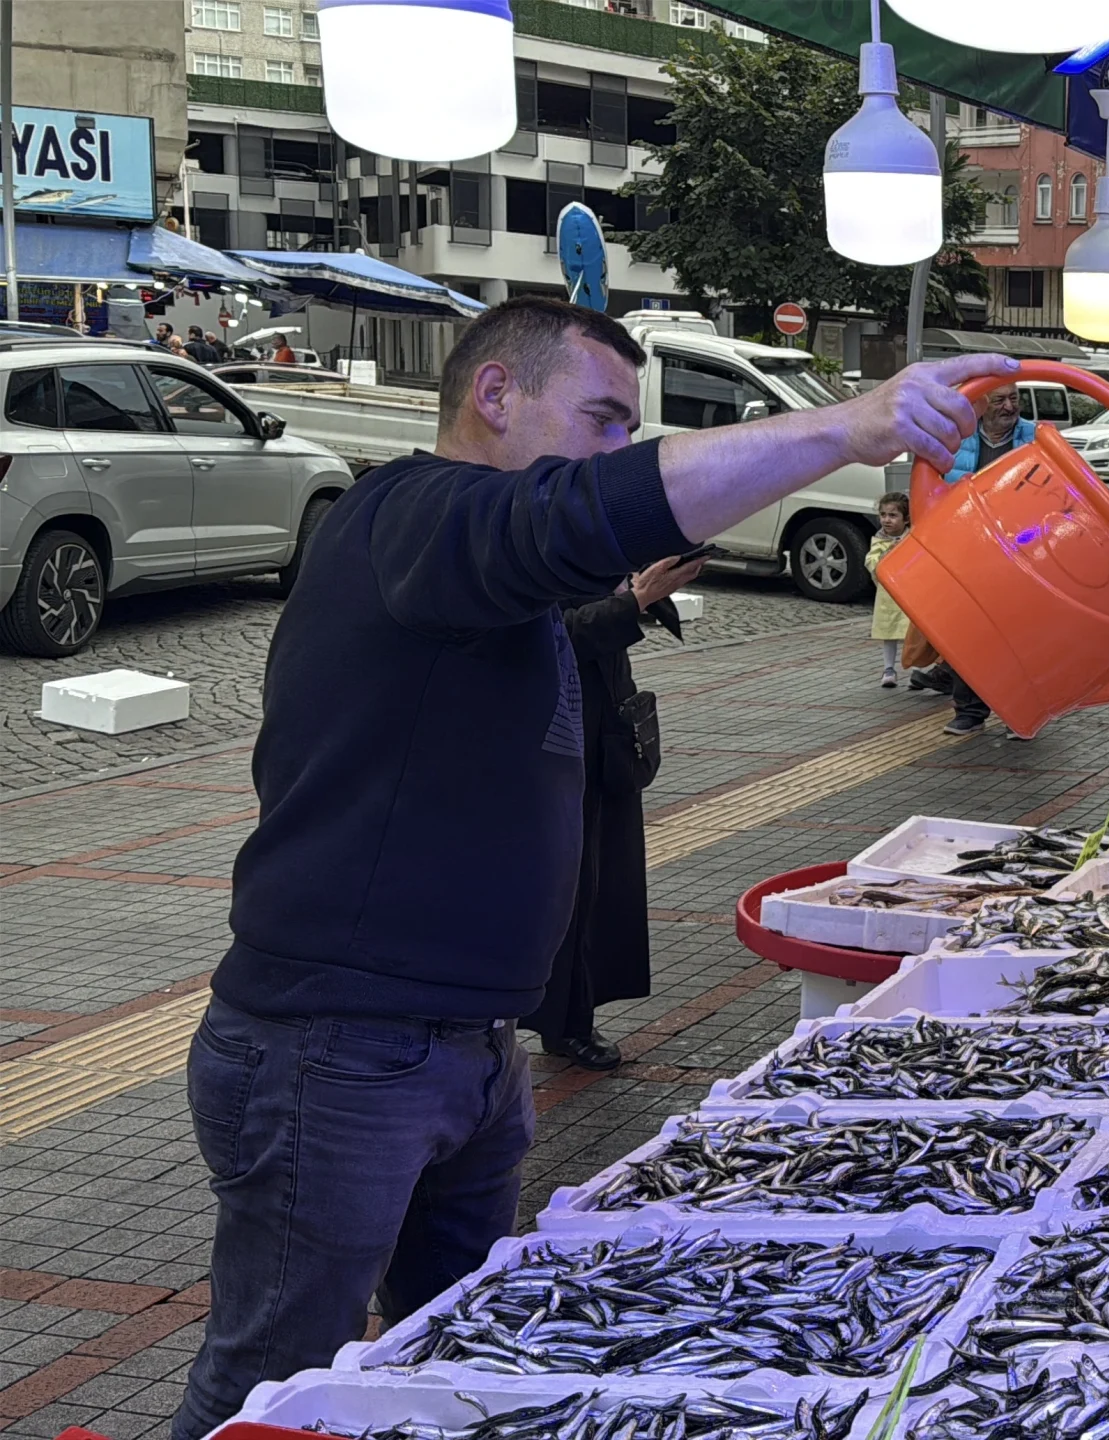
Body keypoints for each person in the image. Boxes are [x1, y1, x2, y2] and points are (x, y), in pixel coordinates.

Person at [173, 295, 1012, 1440]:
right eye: (606, 419)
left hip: (469, 1050)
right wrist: (844, 427)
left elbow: (555, 591)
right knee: (267, 1385)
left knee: (445, 1355)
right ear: (496, 394)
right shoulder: (408, 514)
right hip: (339, 1052)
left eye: (632, 429)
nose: (619, 450)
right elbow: (566, 519)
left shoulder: (487, 587)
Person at [524, 550, 701, 1072]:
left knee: (598, 882)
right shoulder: (526, 542)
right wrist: (636, 598)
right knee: (569, 887)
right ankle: (562, 1021)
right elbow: (555, 637)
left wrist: (647, 589)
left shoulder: (569, 532)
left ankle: (568, 1017)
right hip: (560, 741)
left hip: (603, 737)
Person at [934, 381, 1038, 739]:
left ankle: (1022, 712)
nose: (1009, 406)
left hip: (1023, 551)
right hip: (971, 550)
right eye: (1000, 400)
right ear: (980, 404)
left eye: (1015, 398)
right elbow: (935, 488)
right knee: (969, 632)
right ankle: (969, 711)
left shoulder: (1037, 437)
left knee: (1020, 636)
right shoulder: (958, 441)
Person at [867, 492, 913, 687]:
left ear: (906, 519)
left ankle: (917, 669)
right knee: (889, 632)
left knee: (913, 632)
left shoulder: (911, 538)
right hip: (887, 596)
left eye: (893, 515)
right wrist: (887, 554)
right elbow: (871, 562)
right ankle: (888, 668)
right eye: (883, 515)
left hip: (910, 593)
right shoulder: (879, 540)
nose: (886, 520)